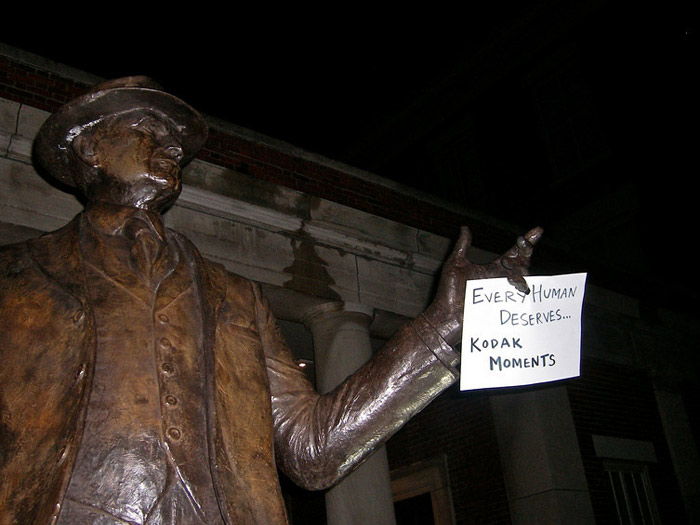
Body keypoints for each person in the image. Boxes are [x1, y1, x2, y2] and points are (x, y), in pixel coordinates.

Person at [0, 76, 542, 524]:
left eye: (176, 143)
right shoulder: (14, 277)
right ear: (90, 147)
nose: (172, 149)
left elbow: (313, 450)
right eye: (147, 130)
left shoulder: (236, 296)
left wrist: (444, 326)